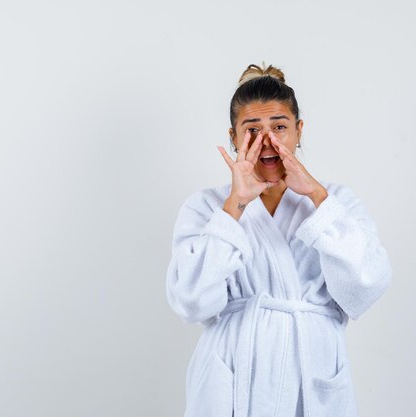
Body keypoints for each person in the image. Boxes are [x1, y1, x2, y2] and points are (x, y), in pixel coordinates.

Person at [165, 63, 393, 417]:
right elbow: (190, 303)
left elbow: (364, 288)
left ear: (299, 131)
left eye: (280, 127)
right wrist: (235, 206)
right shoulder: (207, 206)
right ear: (234, 137)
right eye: (251, 129)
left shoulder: (336, 202)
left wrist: (316, 195)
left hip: (312, 376)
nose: (267, 141)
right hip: (234, 381)